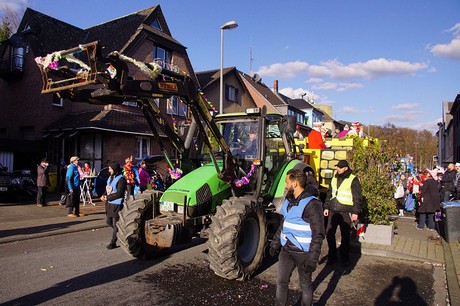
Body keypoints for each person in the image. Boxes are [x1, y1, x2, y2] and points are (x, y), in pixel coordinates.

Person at [269, 168, 325, 306]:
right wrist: (275, 243)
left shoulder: (312, 204)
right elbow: (284, 224)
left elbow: (319, 234)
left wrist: (313, 259)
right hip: (287, 250)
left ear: (295, 184)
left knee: (305, 286)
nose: (285, 185)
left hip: (303, 253)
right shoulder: (288, 201)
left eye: (287, 182)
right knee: (281, 282)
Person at [323, 159, 362, 267]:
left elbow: (357, 197)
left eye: (340, 167)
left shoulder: (353, 179)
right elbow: (329, 193)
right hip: (333, 210)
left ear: (346, 168)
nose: (338, 169)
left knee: (345, 236)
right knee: (330, 234)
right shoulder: (334, 178)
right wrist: (326, 206)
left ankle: (345, 258)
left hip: (346, 211)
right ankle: (332, 256)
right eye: (337, 167)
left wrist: (355, 212)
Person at [101, 161, 127, 249]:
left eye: (110, 169)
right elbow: (108, 187)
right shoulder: (111, 177)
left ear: (115, 169)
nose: (109, 170)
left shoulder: (121, 179)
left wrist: (108, 198)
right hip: (109, 204)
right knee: (108, 221)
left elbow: (119, 193)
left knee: (115, 223)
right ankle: (120, 231)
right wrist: (104, 195)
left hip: (117, 204)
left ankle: (113, 242)